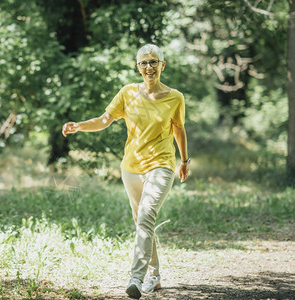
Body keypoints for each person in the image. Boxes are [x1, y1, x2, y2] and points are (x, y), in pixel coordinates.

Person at [62, 44, 190, 299]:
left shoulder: (175, 97)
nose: (149, 67)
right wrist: (80, 126)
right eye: (143, 63)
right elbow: (104, 120)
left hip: (162, 165)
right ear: (137, 67)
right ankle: (154, 275)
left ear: (162, 65)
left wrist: (184, 161)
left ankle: (136, 278)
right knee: (142, 221)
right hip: (131, 168)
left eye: (153, 62)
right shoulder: (127, 93)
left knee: (146, 215)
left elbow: (178, 129)